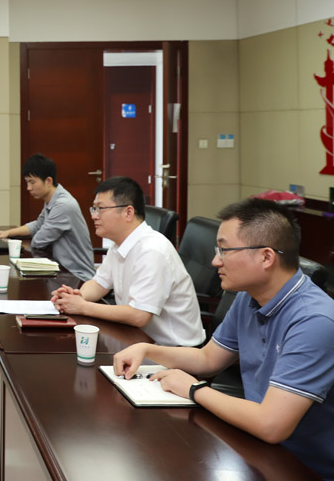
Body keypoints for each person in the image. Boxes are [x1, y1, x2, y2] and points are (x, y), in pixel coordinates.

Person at [116, 199, 334, 478]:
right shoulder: (248, 296)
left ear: (266, 257)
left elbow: (271, 425)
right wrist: (147, 349)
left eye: (225, 250)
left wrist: (194, 390)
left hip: (302, 467)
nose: (215, 261)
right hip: (256, 448)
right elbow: (208, 359)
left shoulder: (315, 320)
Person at [51, 176, 204, 346]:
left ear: (128, 213)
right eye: (94, 209)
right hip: (138, 339)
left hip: (174, 350)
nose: (94, 216)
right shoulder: (119, 244)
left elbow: (139, 316)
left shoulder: (152, 250)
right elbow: (99, 284)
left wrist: (83, 307)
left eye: (101, 209)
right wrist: (76, 297)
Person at [0, 153, 94, 280]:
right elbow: (38, 225)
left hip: (76, 276)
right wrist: (7, 233)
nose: (28, 188)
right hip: (60, 269)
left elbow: (38, 241)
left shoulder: (63, 205)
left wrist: (11, 244)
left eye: (32, 182)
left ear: (48, 181)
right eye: (27, 182)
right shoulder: (53, 198)